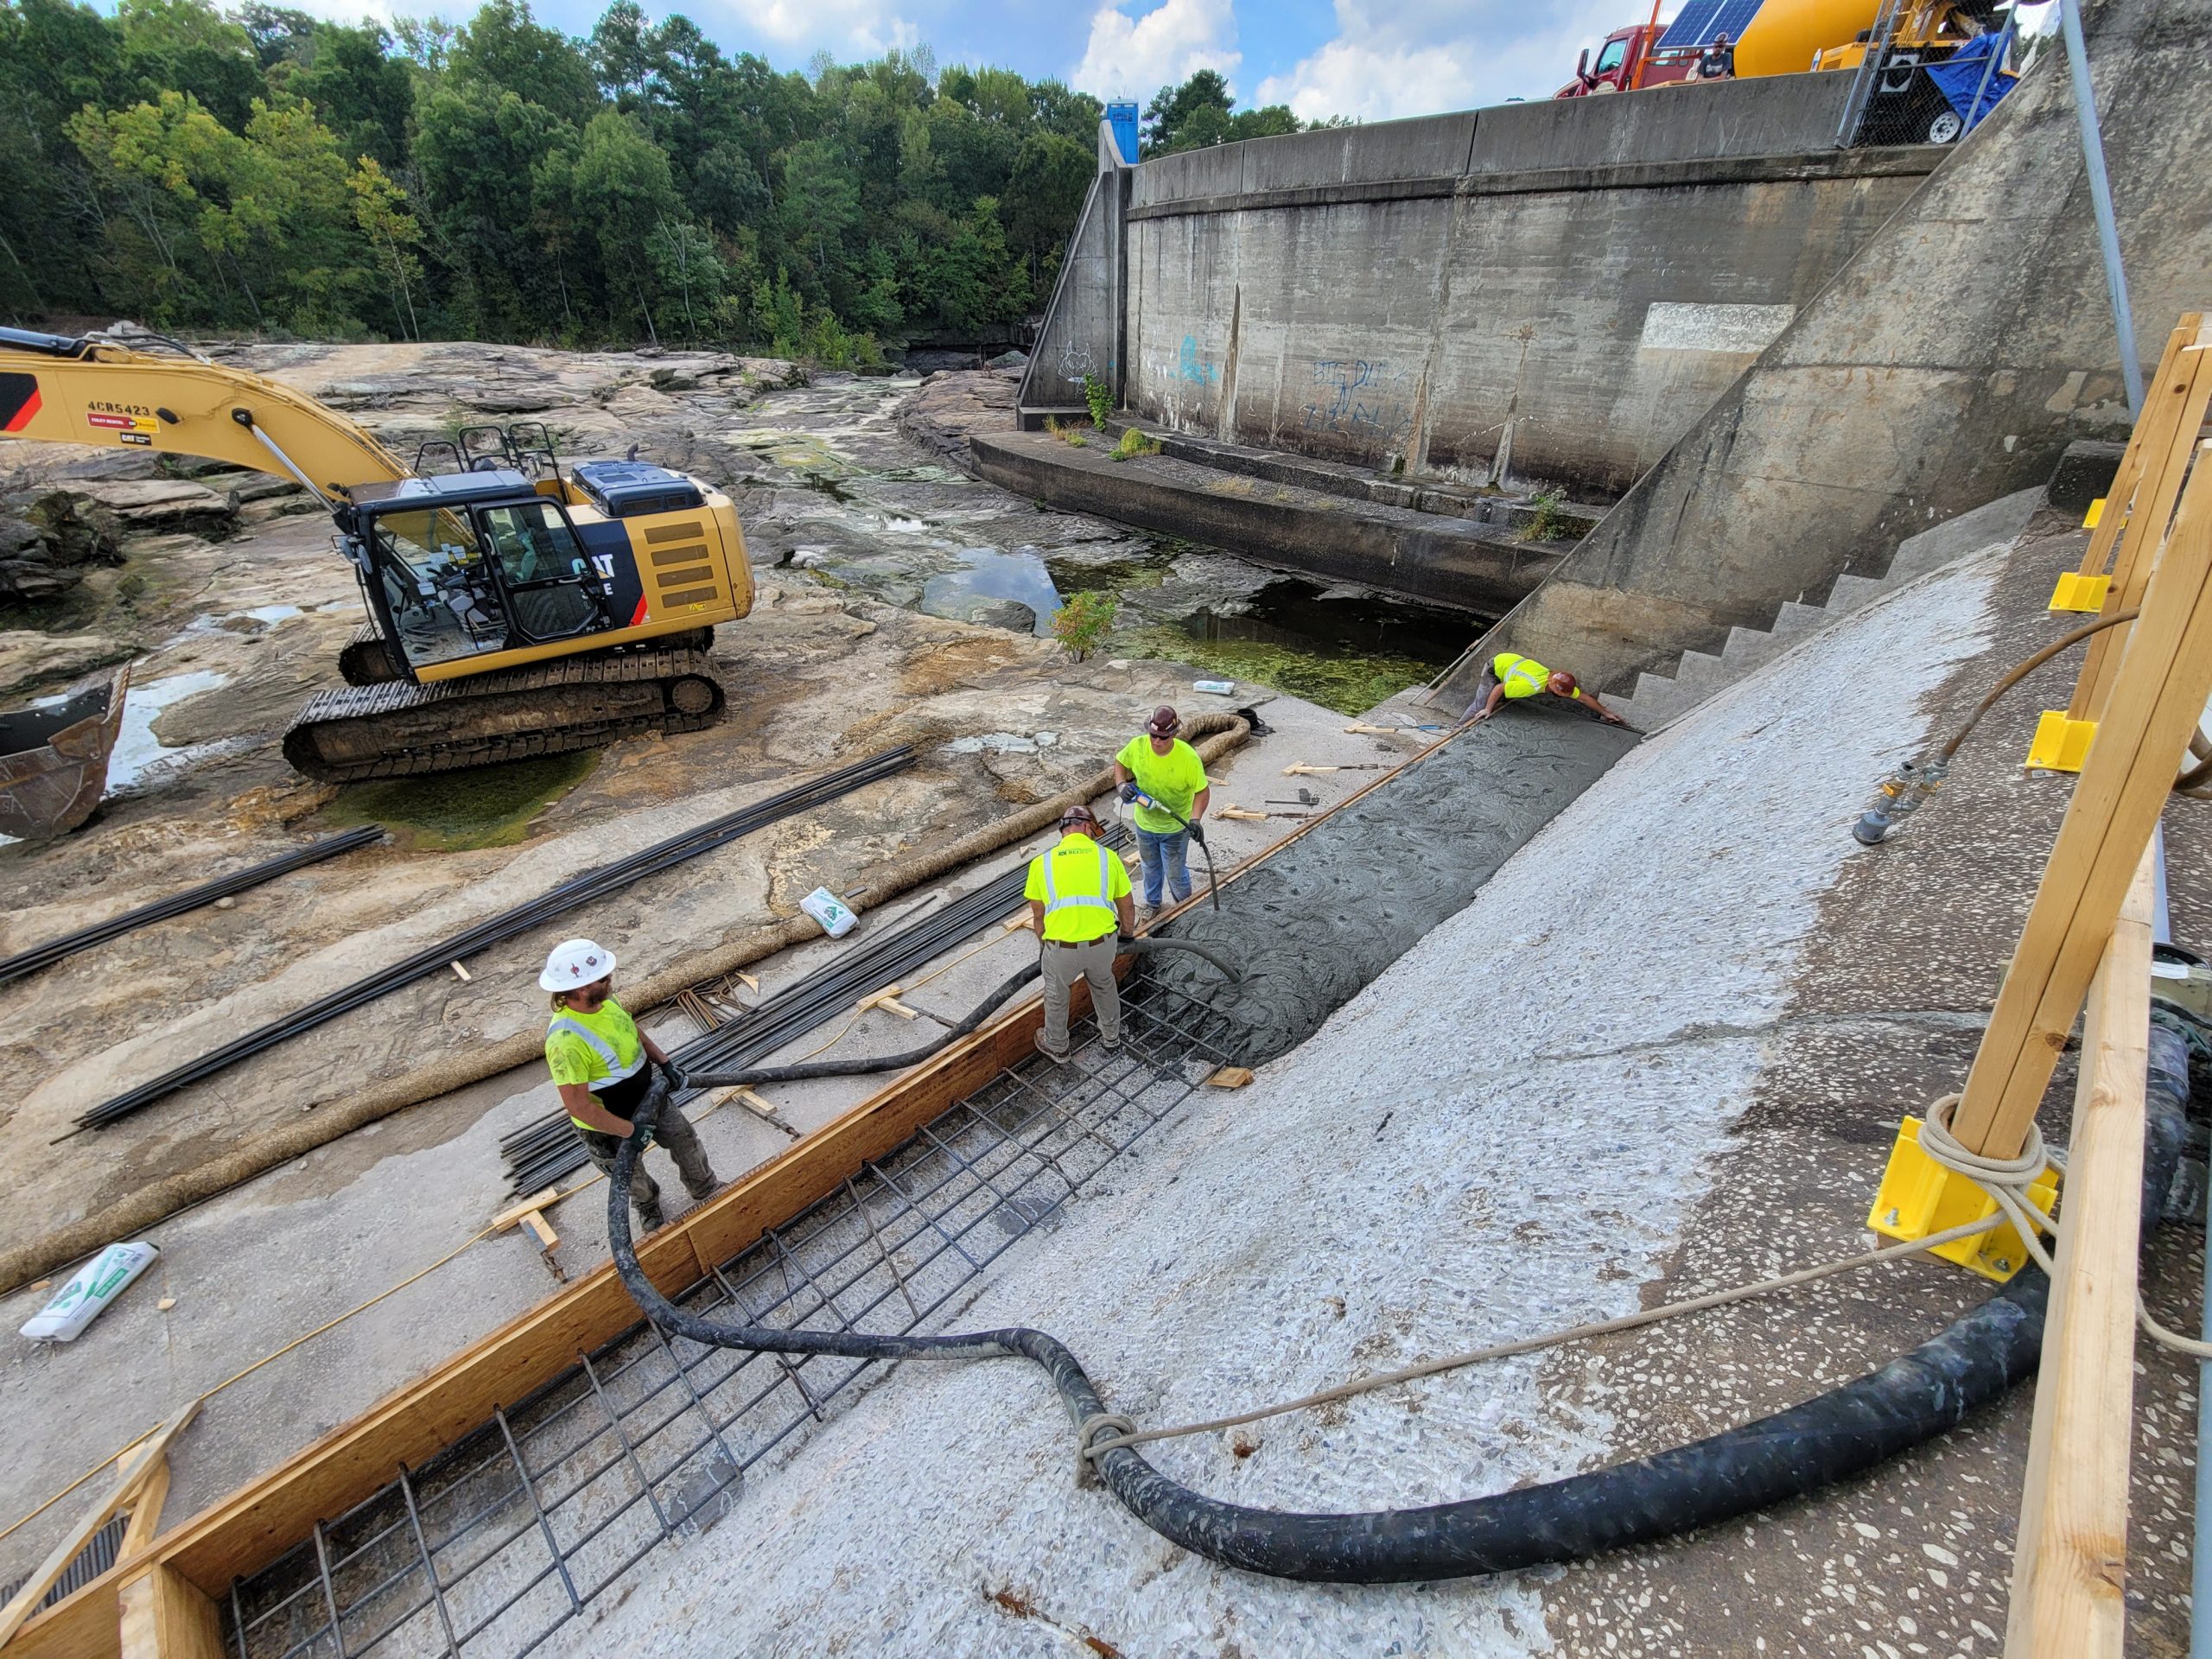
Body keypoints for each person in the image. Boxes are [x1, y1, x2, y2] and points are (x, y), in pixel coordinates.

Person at [540, 937, 720, 1231]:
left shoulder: (605, 1001)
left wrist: (664, 1062)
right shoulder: (565, 1041)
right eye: (604, 977)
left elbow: (631, 1029)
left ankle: (705, 1187)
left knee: (684, 1140)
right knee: (630, 1175)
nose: (611, 978)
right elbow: (579, 1106)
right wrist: (629, 1131)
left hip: (650, 1096)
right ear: (582, 988)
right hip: (607, 1122)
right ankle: (649, 1209)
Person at [1024, 804, 1136, 1064]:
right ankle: (1111, 1038)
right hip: (1103, 943)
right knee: (1104, 985)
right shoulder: (1107, 857)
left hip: (1061, 947)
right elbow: (1127, 904)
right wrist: (1127, 934)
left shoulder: (1042, 863)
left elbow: (1038, 916)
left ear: (1064, 830)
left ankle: (1058, 1047)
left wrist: (1045, 947)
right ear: (1087, 828)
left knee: (1056, 993)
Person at [1113, 705, 1211, 922]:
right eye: (1153, 735)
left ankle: (1186, 908)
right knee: (1150, 867)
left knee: (1176, 872)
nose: (1156, 741)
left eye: (1163, 737)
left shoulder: (1188, 758)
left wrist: (1195, 819)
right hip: (1145, 824)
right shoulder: (1137, 746)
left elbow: (1202, 791)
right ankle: (1152, 903)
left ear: (1174, 734)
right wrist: (1121, 785)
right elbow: (1120, 762)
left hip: (1175, 828)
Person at [1461, 651, 1628, 728]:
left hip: (1511, 663)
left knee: (1503, 697)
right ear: (1555, 689)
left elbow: (1584, 698)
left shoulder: (1554, 677)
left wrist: (1607, 713)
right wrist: (1488, 709)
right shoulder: (1532, 686)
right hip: (1495, 667)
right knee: (1481, 705)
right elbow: (1499, 688)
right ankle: (1458, 727)